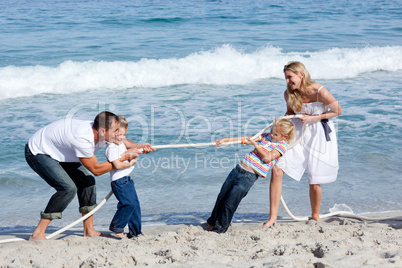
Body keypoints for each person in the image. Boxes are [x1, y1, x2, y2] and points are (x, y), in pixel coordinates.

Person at [25, 111, 153, 241]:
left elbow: (121, 140)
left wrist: (139, 146)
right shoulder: (83, 140)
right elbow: (97, 170)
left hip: (63, 151)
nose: (117, 134)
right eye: (115, 131)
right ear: (102, 131)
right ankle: (38, 234)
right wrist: (125, 156)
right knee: (68, 188)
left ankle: (89, 230)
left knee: (88, 182)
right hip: (39, 151)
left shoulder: (103, 132)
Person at [262, 61, 342, 228]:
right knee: (277, 169)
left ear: (301, 75)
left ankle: (315, 216)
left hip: (319, 132)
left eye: (290, 77)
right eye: (285, 78)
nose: (287, 82)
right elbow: (291, 113)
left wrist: (312, 118)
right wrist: (281, 121)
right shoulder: (289, 94)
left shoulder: (318, 90)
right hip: (298, 133)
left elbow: (337, 110)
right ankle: (272, 218)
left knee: (314, 178)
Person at [206, 118, 295, 233]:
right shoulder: (266, 136)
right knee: (221, 197)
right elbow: (246, 139)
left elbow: (267, 158)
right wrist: (225, 140)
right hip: (238, 169)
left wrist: (255, 145)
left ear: (285, 136)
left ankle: (220, 229)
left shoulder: (282, 146)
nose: (271, 135)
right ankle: (212, 223)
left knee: (230, 202)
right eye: (272, 132)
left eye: (275, 134)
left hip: (248, 176)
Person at [105, 116, 142, 239]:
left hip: (127, 180)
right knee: (128, 204)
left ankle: (135, 233)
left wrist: (142, 148)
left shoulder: (120, 143)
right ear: (112, 132)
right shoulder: (111, 147)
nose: (121, 137)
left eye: (124, 135)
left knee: (135, 206)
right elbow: (117, 165)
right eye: (118, 134)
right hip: (119, 181)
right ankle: (117, 227)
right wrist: (131, 162)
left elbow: (130, 147)